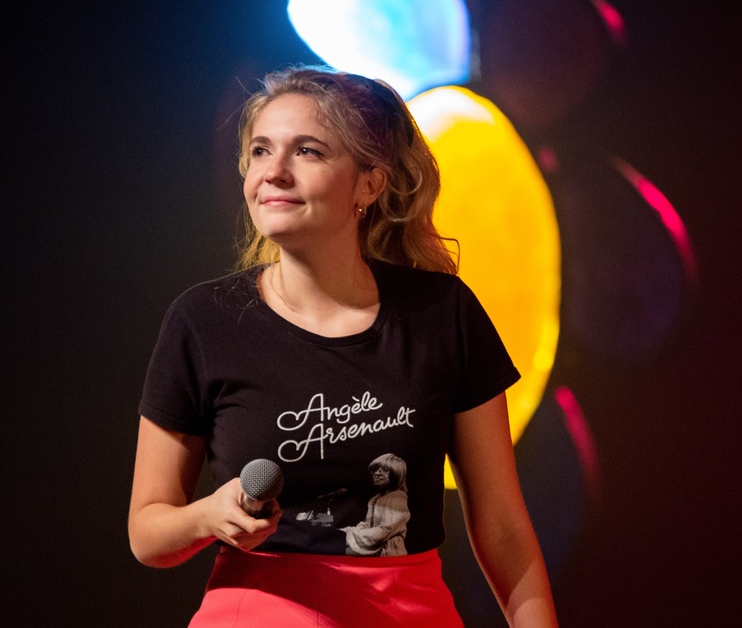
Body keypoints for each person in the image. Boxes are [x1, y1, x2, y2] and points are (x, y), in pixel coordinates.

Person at [129, 66, 559, 627]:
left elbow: (503, 529)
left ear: (369, 184)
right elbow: (147, 532)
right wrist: (209, 516)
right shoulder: (203, 321)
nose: (274, 173)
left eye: (306, 151)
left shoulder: (442, 314)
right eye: (260, 151)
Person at [342, 453, 410, 557]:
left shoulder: (398, 497)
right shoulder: (375, 498)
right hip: (373, 547)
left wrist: (353, 536)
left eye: (384, 469)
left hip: (389, 553)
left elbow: (385, 530)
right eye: (375, 469)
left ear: (396, 473)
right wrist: (348, 532)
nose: (376, 473)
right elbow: (367, 524)